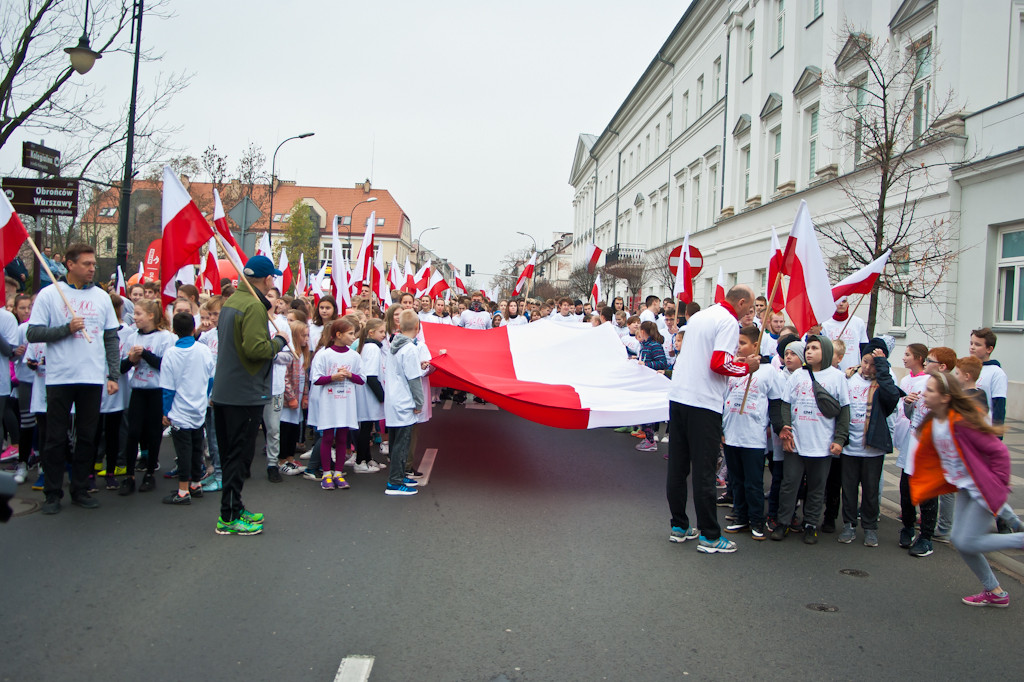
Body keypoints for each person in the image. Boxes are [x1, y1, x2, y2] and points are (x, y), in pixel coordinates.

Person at [910, 372, 1024, 608]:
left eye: (930, 390)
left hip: (982, 490)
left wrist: (998, 484)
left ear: (945, 397)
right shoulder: (936, 422)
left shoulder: (961, 422)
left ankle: (1020, 539)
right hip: (965, 489)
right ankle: (995, 592)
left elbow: (999, 452)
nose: (924, 393)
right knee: (959, 540)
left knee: (966, 542)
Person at [26, 244, 120, 514]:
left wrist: (113, 374)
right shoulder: (50, 295)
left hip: (92, 377)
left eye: (93, 264)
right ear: (70, 265)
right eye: (87, 264)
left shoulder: (102, 297)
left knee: (88, 437)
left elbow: (111, 338)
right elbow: (33, 334)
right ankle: (52, 493)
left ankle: (80, 488)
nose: (93, 268)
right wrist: (65, 329)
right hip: (59, 377)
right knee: (55, 438)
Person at [667, 285, 760, 554]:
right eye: (749, 308)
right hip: (703, 402)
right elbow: (719, 363)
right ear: (741, 303)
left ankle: (679, 526)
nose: (749, 314)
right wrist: (746, 367)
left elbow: (708, 354)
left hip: (680, 396)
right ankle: (709, 535)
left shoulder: (700, 316)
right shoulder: (728, 321)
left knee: (678, 467)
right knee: (705, 471)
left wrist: (736, 359)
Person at [211, 255, 288, 536]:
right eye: (272, 278)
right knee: (238, 456)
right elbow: (256, 350)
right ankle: (228, 516)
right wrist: (279, 341)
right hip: (244, 392)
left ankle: (236, 505)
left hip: (227, 390)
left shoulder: (232, 302)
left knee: (235, 453)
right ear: (266, 279)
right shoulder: (253, 307)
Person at [773, 335, 851, 544]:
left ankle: (810, 524)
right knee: (790, 484)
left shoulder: (837, 377)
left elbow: (844, 411)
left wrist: (840, 439)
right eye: (808, 348)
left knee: (817, 486)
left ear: (825, 351)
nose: (809, 352)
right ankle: (784, 522)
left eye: (814, 348)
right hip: (797, 442)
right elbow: (786, 404)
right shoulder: (798, 375)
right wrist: (786, 432)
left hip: (822, 444)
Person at [837, 339, 900, 546]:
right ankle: (849, 525)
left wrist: (882, 366)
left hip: (872, 448)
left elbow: (892, 397)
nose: (867, 367)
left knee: (871, 490)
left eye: (873, 364)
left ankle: (870, 527)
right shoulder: (849, 378)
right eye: (865, 361)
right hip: (850, 446)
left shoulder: (883, 385)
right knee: (849, 489)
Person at [721, 325, 780, 540]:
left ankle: (757, 520)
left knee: (753, 481)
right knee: (736, 480)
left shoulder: (768, 371)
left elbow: (775, 402)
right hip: (731, 432)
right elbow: (721, 399)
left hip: (753, 435)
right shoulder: (732, 368)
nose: (738, 347)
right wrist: (721, 428)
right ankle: (741, 517)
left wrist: (776, 427)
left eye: (743, 343)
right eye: (737, 343)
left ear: (756, 345)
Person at [117, 299, 176, 495]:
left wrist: (146, 355)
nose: (135, 318)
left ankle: (150, 472)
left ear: (151, 315)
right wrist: (131, 359)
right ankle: (129, 475)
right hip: (138, 390)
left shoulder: (165, 337)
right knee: (133, 432)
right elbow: (122, 368)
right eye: (134, 313)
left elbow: (165, 365)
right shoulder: (132, 337)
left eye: (139, 314)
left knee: (153, 433)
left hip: (156, 390)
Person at [160, 312, 216, 505]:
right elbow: (210, 379)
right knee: (196, 448)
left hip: (179, 410)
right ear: (194, 328)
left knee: (183, 450)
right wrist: (204, 396)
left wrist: (165, 411)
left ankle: (183, 490)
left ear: (173, 331)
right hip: (199, 408)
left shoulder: (171, 354)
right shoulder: (204, 350)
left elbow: (168, 388)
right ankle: (195, 483)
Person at [310, 318, 363, 490]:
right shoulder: (324, 355)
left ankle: (338, 473)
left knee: (342, 437)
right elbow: (316, 379)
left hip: (346, 402)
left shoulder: (354, 356)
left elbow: (362, 379)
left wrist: (349, 375)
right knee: (327, 437)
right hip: (329, 402)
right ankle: (326, 474)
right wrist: (332, 377)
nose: (353, 337)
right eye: (350, 333)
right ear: (338, 335)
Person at [894, 343, 936, 554]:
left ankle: (926, 537)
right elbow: (910, 414)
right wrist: (908, 403)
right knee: (905, 489)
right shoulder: (910, 381)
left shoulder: (941, 388)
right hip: (912, 442)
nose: (928, 363)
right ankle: (908, 527)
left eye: (931, 361)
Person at [384, 310, 425, 496]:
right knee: (402, 442)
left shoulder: (394, 344)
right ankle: (394, 481)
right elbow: (414, 379)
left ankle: (399, 475)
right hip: (404, 401)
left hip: (393, 399)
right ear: (417, 327)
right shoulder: (410, 349)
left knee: (395, 441)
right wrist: (419, 402)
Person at [354, 319, 386, 474]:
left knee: (367, 427)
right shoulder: (372, 348)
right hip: (368, 394)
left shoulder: (368, 346)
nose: (384, 335)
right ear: (371, 332)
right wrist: (382, 396)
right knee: (366, 428)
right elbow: (371, 376)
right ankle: (360, 461)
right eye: (381, 332)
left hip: (367, 393)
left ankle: (367, 458)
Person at [634, 321, 668, 452]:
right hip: (644, 382)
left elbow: (662, 363)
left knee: (647, 411)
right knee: (643, 411)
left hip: (651, 383)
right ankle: (648, 437)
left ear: (643, 331)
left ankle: (650, 440)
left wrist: (646, 364)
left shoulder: (655, 345)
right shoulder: (644, 345)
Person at [969, 328, 1006, 430]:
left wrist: (997, 433)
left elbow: (999, 405)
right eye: (971, 343)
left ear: (989, 349)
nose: (972, 347)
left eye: (977, 345)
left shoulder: (996, 373)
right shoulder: (967, 367)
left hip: (984, 427)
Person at [821, 298, 868, 372]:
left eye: (844, 301)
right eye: (838, 301)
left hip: (853, 370)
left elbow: (864, 347)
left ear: (847, 304)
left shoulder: (858, 322)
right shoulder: (824, 324)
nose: (841, 304)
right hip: (832, 370)